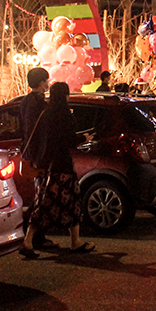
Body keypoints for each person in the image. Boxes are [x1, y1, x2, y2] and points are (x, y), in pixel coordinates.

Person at [22, 81, 95, 256]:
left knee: (45, 203)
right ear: (65, 95)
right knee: (71, 202)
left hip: (45, 166)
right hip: (62, 166)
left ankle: (29, 241)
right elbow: (68, 141)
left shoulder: (45, 114)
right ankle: (73, 242)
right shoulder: (65, 115)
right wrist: (84, 138)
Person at [19, 67, 53, 253]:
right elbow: (39, 132)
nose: (48, 83)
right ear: (41, 83)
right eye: (46, 80)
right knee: (41, 196)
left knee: (41, 195)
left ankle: (37, 236)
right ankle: (30, 236)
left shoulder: (25, 102)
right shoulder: (39, 104)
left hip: (30, 153)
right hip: (38, 155)